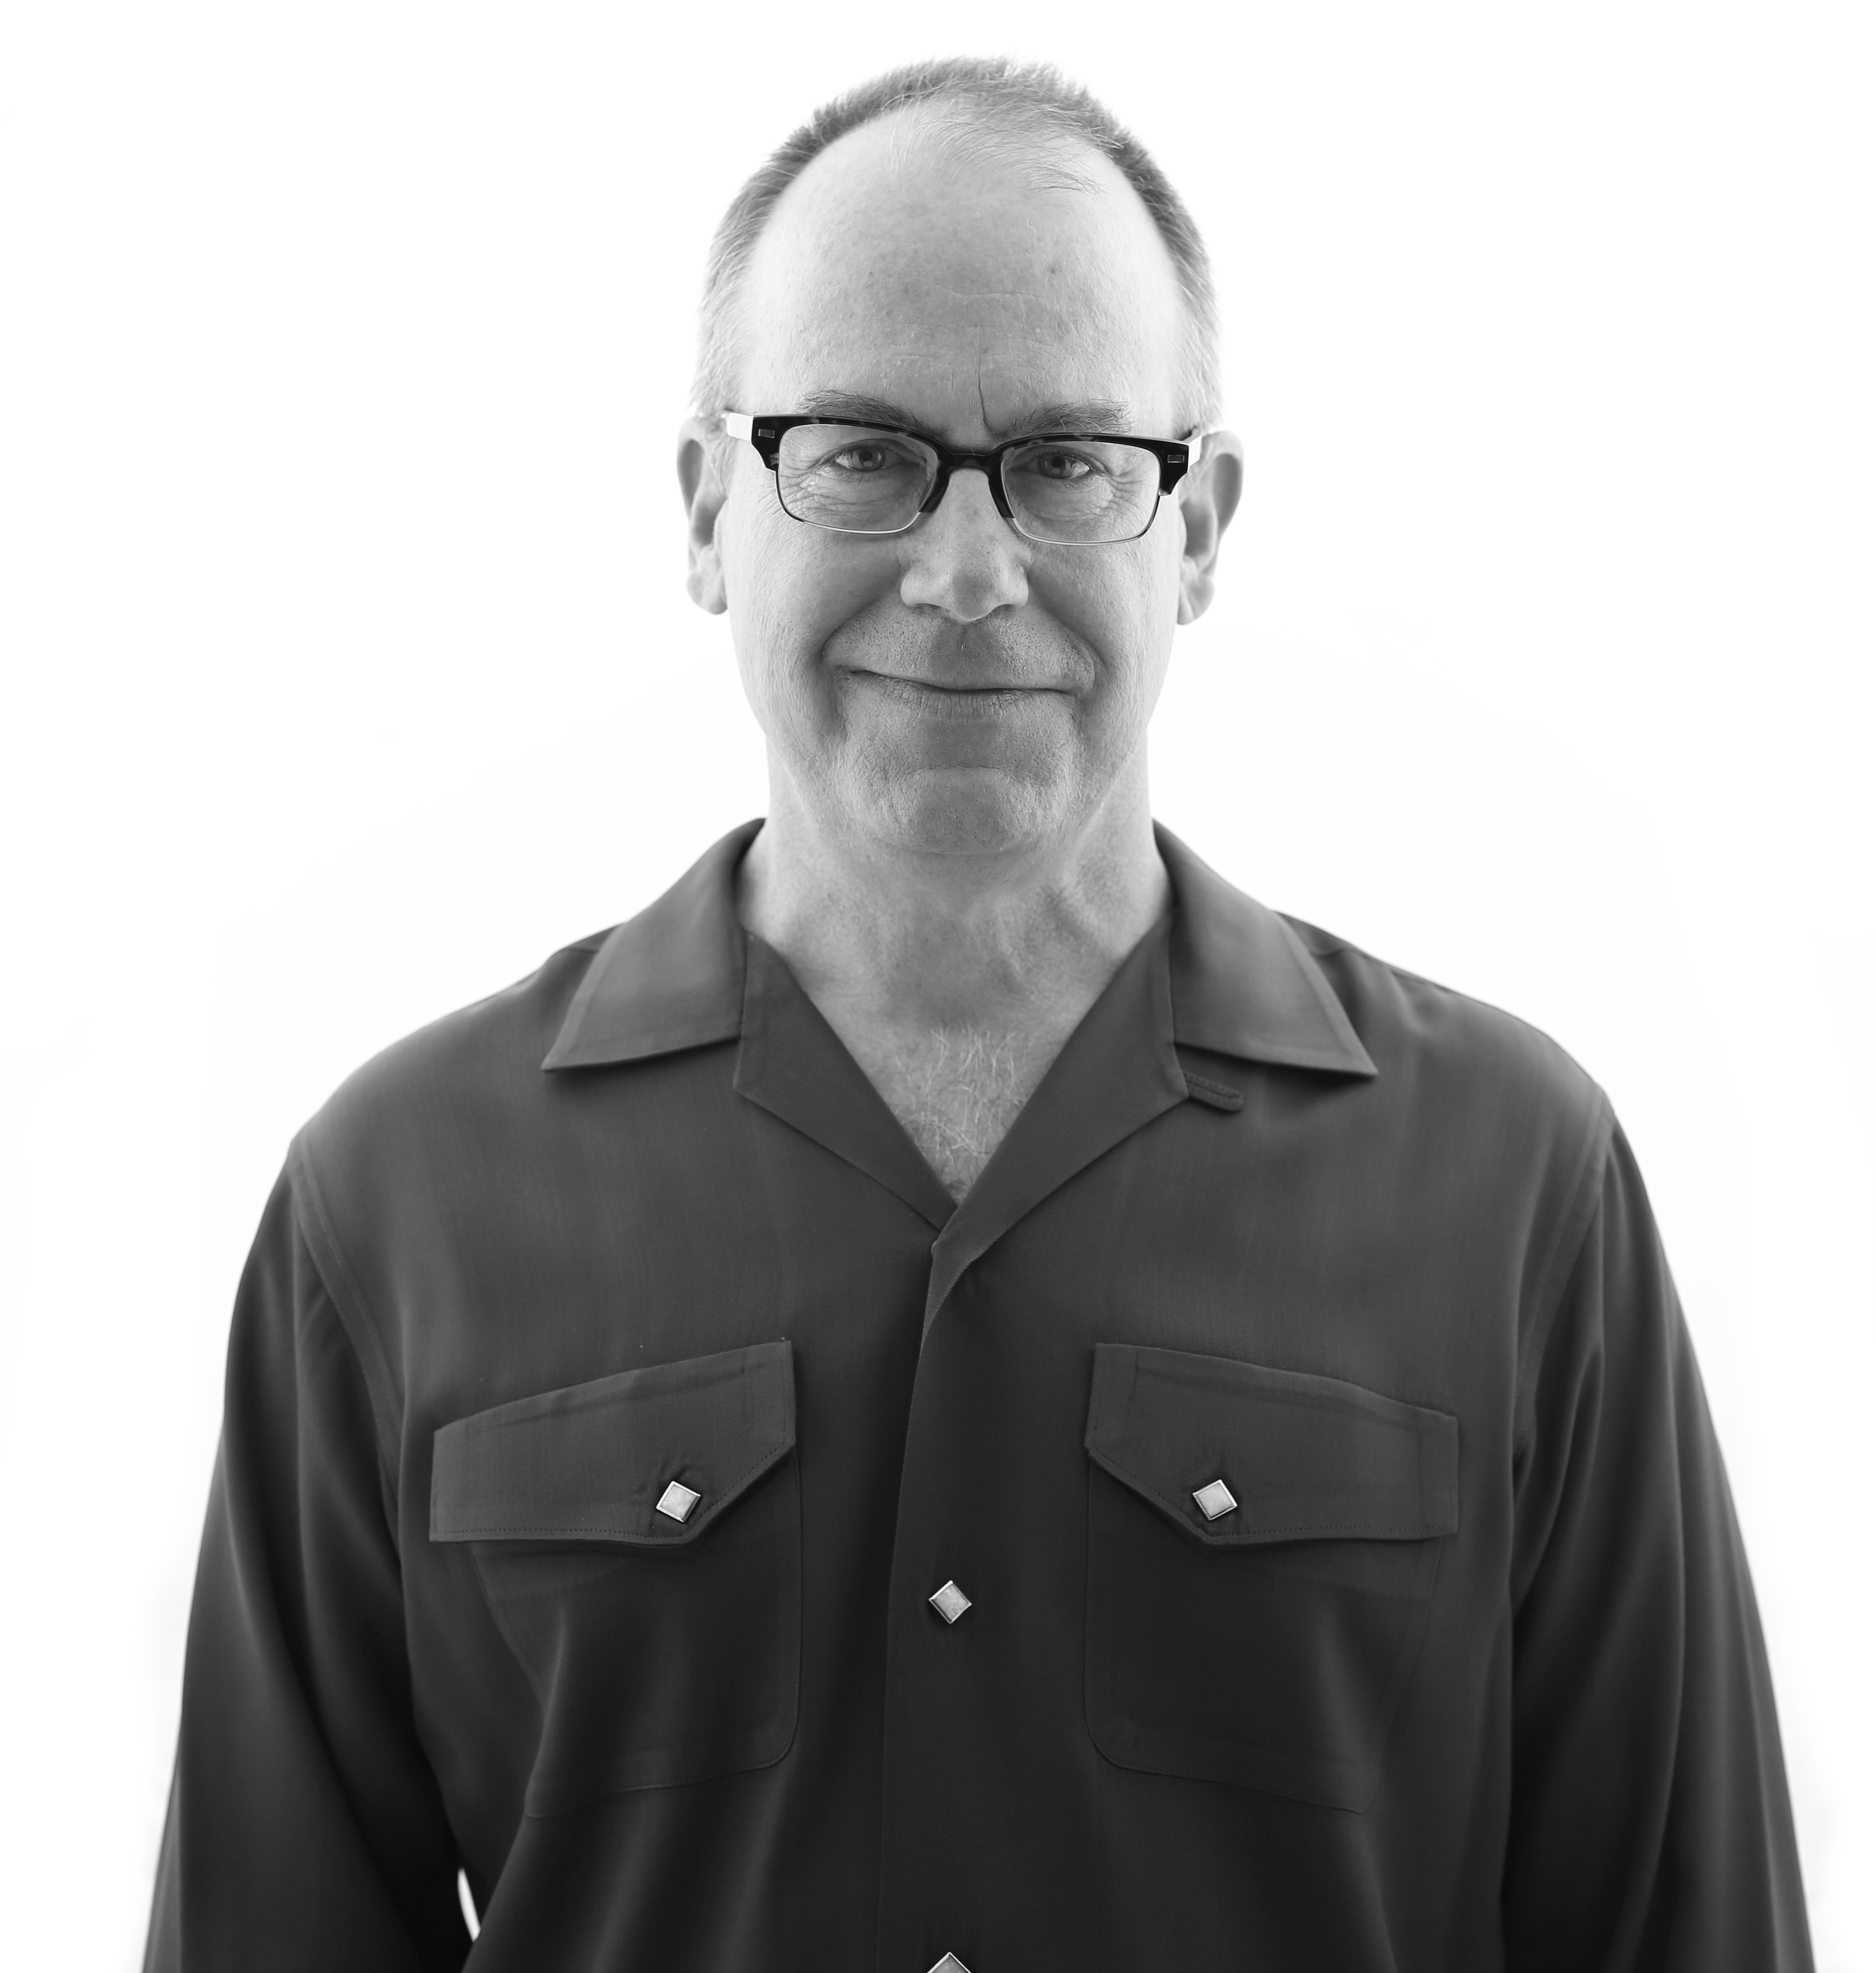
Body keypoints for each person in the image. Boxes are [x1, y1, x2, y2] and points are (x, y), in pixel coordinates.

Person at [145, 56, 1812, 1973]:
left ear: (1197, 528)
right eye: (858, 452)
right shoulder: (397, 1202)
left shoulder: (1517, 1184)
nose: (962, 574)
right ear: (709, 511)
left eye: (1069, 462)